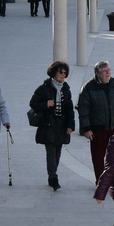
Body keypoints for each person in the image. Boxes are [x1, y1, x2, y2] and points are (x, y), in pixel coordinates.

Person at [78, 61, 114, 183]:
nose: (108, 73)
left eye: (109, 70)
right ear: (98, 73)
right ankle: (101, 181)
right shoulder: (88, 88)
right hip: (97, 129)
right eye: (105, 71)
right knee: (98, 157)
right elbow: (83, 110)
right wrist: (87, 128)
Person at [30, 60, 75, 190]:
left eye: (65, 73)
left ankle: (52, 174)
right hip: (48, 124)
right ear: (53, 73)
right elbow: (33, 103)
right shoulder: (43, 88)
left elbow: (69, 109)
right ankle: (53, 176)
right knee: (50, 151)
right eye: (60, 72)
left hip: (61, 125)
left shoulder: (66, 90)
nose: (63, 75)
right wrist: (45, 104)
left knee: (58, 151)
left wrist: (70, 125)